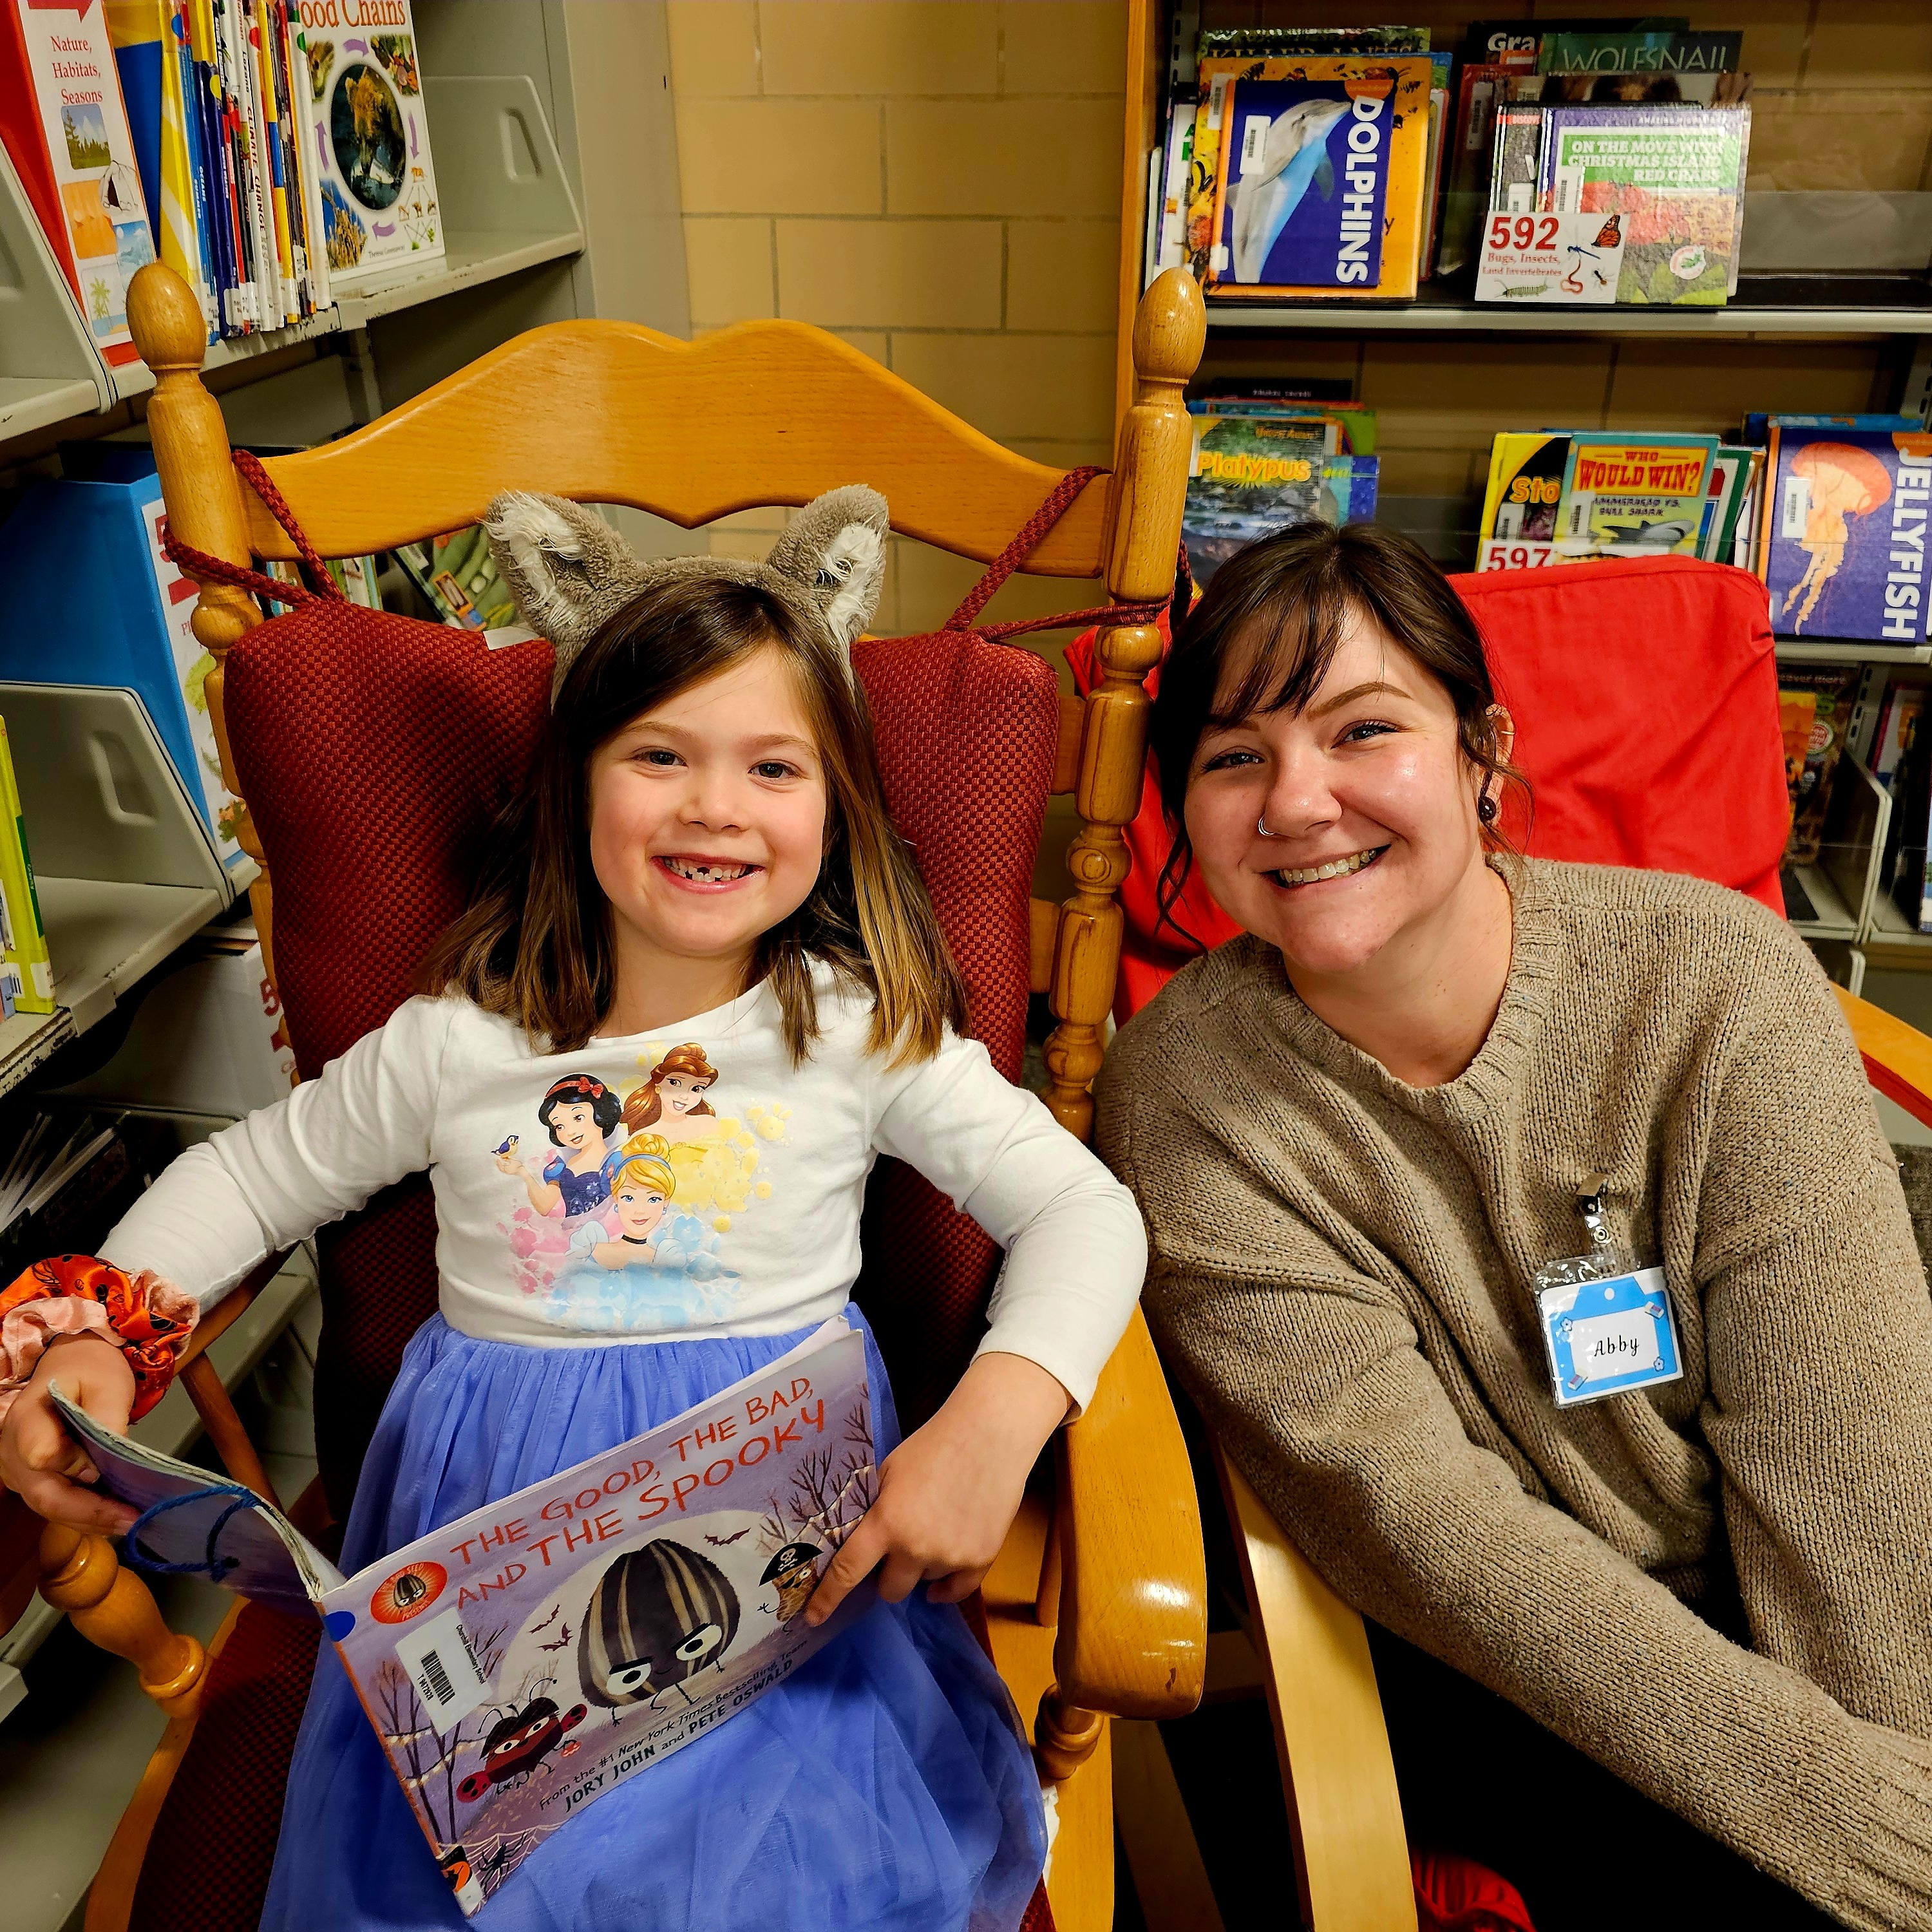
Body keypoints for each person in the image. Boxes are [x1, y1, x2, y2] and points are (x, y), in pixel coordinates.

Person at [0, 487, 1146, 1932]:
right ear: (574, 785)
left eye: (773, 768)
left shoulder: (861, 1028)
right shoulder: (463, 1039)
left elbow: (1085, 1211)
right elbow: (244, 1175)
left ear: (837, 805)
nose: (716, 805)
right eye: (658, 754)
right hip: (491, 1603)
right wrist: (112, 1329)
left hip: (777, 1587)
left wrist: (1000, 1415)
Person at [1095, 520, 1932, 1932]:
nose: (1298, 801)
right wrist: (1822, 1804)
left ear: (1483, 757)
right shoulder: (1183, 1101)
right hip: (1521, 1672)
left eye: (1363, 730)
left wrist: (1894, 1789)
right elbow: (1415, 1522)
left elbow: (1839, 1432)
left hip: (1852, 1622)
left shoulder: (1713, 978)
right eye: (1235, 757)